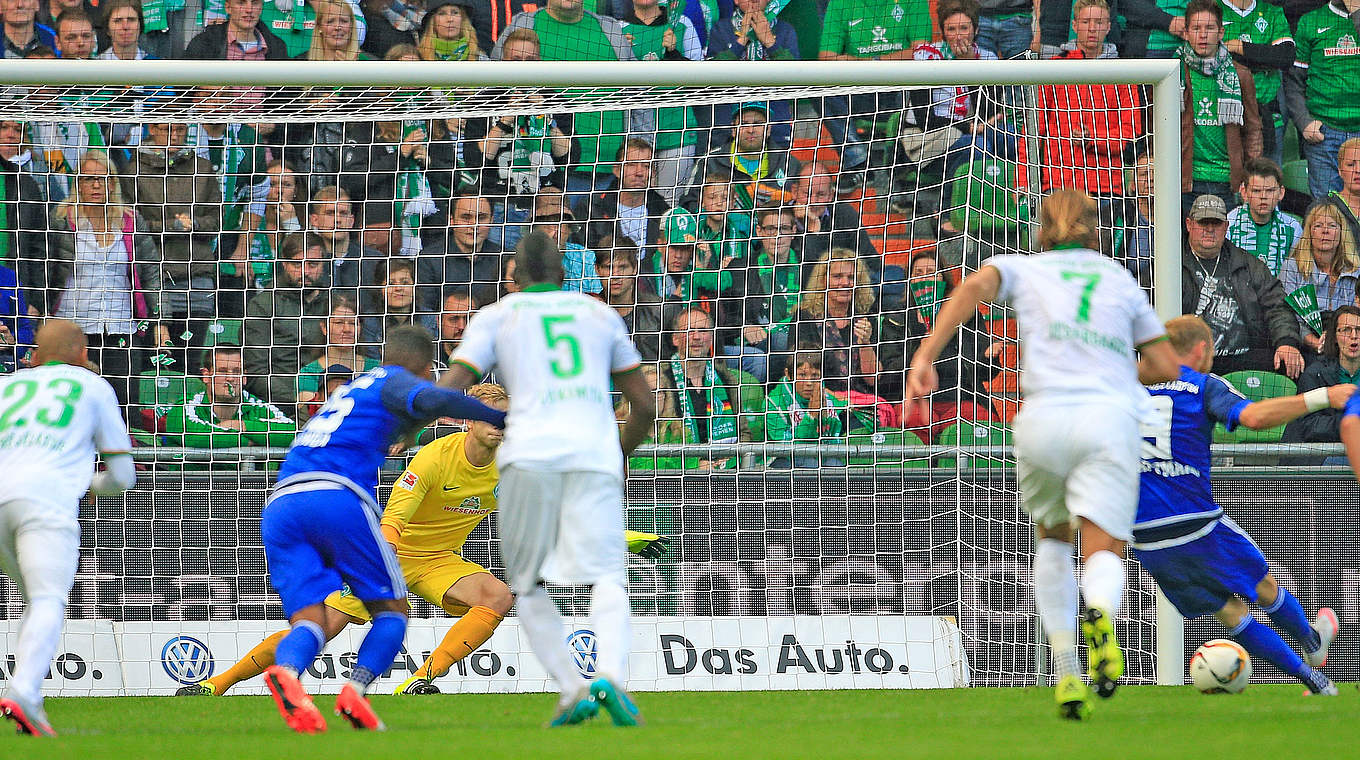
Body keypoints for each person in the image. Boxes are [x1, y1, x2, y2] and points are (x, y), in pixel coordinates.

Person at [180, 382, 668, 697]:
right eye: (492, 418)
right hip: (387, 556)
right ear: (468, 420)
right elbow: (394, 519)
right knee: (322, 628)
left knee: (497, 596)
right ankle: (218, 684)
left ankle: (417, 683)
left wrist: (627, 538)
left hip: (438, 560)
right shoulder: (434, 458)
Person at [904, 189, 1181, 720]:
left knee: (1053, 538)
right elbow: (1165, 365)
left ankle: (1065, 668)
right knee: (1103, 545)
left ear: (1042, 228)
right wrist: (1120, 365)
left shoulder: (1023, 269)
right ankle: (1100, 614)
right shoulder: (1120, 279)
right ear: (1094, 227)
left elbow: (970, 289)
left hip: (1043, 418)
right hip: (1106, 419)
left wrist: (925, 355)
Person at [438, 231, 656, 727]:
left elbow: (450, 388)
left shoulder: (496, 315)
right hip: (593, 456)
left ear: (515, 276)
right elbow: (642, 404)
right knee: (607, 575)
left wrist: (406, 422)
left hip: (528, 458)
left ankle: (570, 688)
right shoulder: (601, 315)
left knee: (527, 583)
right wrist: (615, 452)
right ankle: (611, 678)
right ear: (565, 273)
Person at [258, 325, 506, 733]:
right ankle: (354, 694)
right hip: (334, 498)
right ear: (424, 368)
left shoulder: (351, 391)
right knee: (392, 612)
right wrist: (499, 416)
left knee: (311, 621)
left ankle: (287, 674)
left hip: (281, 502)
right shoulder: (396, 380)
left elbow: (395, 421)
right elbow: (437, 398)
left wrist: (406, 432)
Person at [1136, 314, 1341, 695]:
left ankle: (1316, 682)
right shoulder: (1202, 385)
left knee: (1230, 613)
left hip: (1145, 538)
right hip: (1195, 521)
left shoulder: (1131, 389)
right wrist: (1321, 397)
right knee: (1264, 586)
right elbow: (1254, 417)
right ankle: (1313, 646)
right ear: (1201, 349)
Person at [0, 320, 135, 736]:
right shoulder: (94, 387)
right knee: (48, 599)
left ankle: (31, 705)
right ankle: (22, 691)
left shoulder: (7, 386)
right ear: (83, 353)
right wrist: (88, 485)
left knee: (32, 600)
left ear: (34, 356)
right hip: (48, 501)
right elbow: (123, 475)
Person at [492, 0, 653, 198]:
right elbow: (494, 88)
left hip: (607, 171)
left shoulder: (609, 28)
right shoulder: (523, 25)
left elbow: (639, 95)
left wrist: (642, 153)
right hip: (541, 172)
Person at [47, 149, 164, 407]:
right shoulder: (61, 221)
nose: (97, 185)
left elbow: (151, 272)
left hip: (121, 326)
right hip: (72, 328)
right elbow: (47, 273)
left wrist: (160, 321)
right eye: (89, 179)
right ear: (78, 183)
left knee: (122, 404)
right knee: (72, 405)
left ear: (113, 183)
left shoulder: (131, 221)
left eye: (104, 178)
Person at [118, 122, 222, 377]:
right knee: (149, 361)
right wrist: (170, 226)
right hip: (155, 276)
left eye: (180, 130)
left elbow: (218, 219)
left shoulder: (203, 168)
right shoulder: (133, 170)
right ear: (151, 130)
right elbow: (129, 221)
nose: (174, 136)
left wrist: (194, 224)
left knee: (190, 361)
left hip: (197, 274)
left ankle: (184, 415)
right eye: (167, 129)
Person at [1182, 194, 1305, 378]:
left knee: (1291, 363)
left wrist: (1286, 342)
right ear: (1189, 224)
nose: (1209, 229)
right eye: (1202, 223)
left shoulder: (1249, 265)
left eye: (1215, 224)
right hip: (1189, 360)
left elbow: (1277, 306)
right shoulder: (1169, 265)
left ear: (1225, 227)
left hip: (1242, 358)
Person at [1037, 0, 1142, 198]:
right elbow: (1035, 129)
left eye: (1099, 22)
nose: (1092, 28)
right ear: (1074, 25)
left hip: (1106, 185)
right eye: (1086, 22)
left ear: (1109, 26)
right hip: (1059, 183)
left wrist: (1092, 139)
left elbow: (1129, 134)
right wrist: (1024, 179)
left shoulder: (1124, 73)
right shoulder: (1054, 68)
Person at [1179, 0, 1263, 213]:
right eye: (1196, 28)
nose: (1203, 35)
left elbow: (1253, 129)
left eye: (1210, 28)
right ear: (1186, 33)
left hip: (1227, 182)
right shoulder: (1172, 72)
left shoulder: (1241, 74)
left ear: (1221, 32)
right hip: (1184, 181)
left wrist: (1250, 176)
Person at [242, 234, 331, 405]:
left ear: (323, 265)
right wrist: (302, 401)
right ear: (284, 264)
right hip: (281, 404)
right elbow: (255, 374)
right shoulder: (263, 305)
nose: (305, 271)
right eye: (297, 264)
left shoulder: (333, 303)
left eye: (312, 264)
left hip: (331, 401)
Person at [1285, 0, 1360, 199]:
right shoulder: (1310, 21)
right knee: (1326, 208)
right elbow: (1293, 81)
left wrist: (1356, 12)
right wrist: (1304, 122)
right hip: (1324, 133)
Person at [164, 345, 298, 449]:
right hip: (195, 483)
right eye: (222, 371)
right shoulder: (184, 408)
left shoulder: (258, 406)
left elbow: (294, 433)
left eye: (237, 372)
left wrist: (241, 426)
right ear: (206, 375)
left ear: (244, 377)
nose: (231, 378)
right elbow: (197, 437)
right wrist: (253, 441)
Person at [791, 249, 881, 397]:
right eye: (838, 276)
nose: (845, 283)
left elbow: (872, 379)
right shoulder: (805, 317)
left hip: (859, 400)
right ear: (823, 280)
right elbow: (799, 372)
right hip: (817, 398)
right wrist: (834, 399)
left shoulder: (866, 317)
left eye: (851, 277)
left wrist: (865, 342)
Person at [1219, 0, 1295, 166]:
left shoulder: (1272, 12)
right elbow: (1212, 57)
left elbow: (1285, 57)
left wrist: (1241, 47)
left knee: (1266, 178)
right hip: (1226, 115)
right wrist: (1264, 57)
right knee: (1234, 180)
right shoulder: (1212, 9)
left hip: (1267, 112)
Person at [1279, 202, 1359, 352]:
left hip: (1348, 348)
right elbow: (1288, 317)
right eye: (1318, 226)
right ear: (1309, 232)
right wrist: (1315, 342)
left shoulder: (1355, 272)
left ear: (1342, 233)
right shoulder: (1291, 268)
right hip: (1304, 347)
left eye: (1332, 226)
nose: (1325, 231)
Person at [586, 138, 672, 258]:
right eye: (631, 165)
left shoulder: (665, 213)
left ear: (653, 172)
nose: (639, 172)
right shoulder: (592, 208)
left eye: (646, 166)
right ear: (617, 170)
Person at [296, 297, 379, 420]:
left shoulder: (377, 369)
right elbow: (311, 418)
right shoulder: (307, 374)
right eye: (339, 322)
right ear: (324, 328)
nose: (347, 330)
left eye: (353, 323)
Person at [1287, 306, 1360, 442]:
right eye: (1346, 330)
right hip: (1322, 454)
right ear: (1335, 338)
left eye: (1359, 329)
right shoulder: (1315, 374)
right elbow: (1308, 425)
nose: (1354, 336)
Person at [1226, 157, 1303, 277]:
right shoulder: (1229, 223)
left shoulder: (1293, 228)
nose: (1263, 196)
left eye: (1270, 191)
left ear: (1281, 193)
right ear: (1244, 193)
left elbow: (1298, 274)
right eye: (1256, 191)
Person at [594, 243, 670, 363]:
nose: (615, 275)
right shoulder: (589, 312)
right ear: (597, 269)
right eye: (608, 267)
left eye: (623, 267)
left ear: (635, 269)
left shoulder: (660, 310)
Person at [360, 258, 434, 357]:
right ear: (380, 290)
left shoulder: (429, 318)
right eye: (391, 283)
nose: (398, 288)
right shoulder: (368, 322)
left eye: (405, 283)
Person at [181, 0, 291, 61]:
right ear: (228, 7)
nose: (249, 10)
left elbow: (285, 95)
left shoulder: (277, 47)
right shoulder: (204, 44)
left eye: (255, 2)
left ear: (261, 7)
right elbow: (183, 91)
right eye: (241, 2)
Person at [418, 0, 485, 60]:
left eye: (455, 13)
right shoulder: (418, 58)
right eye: (442, 14)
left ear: (463, 18)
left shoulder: (480, 59)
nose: (450, 19)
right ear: (432, 21)